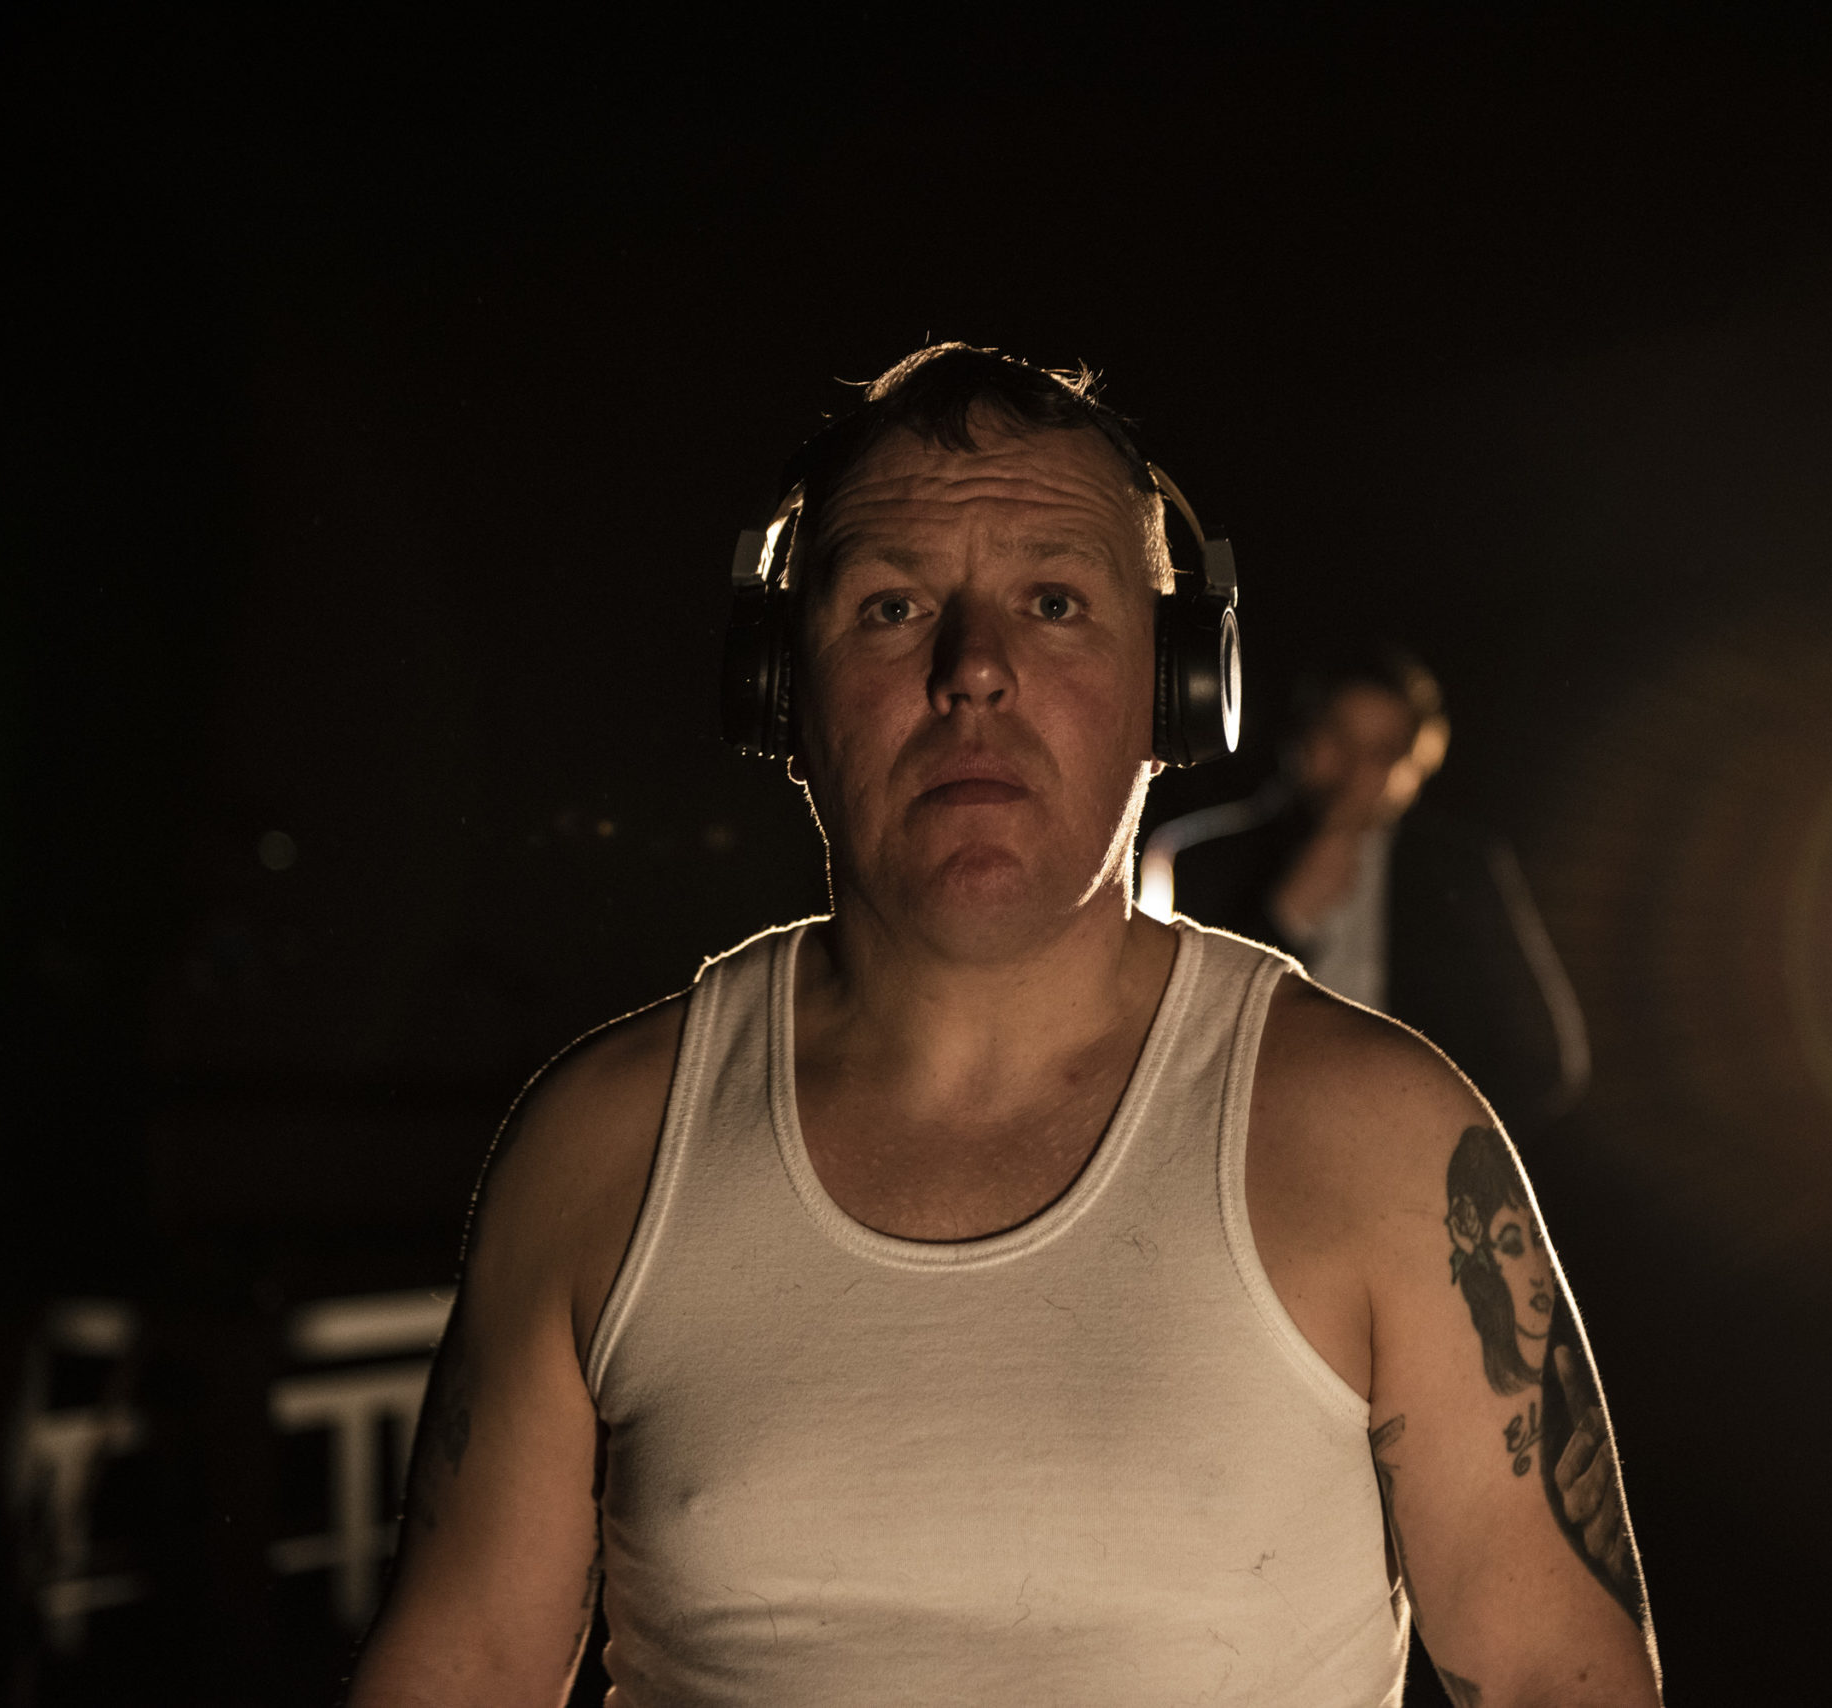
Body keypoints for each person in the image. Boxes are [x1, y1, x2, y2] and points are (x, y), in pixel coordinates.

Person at [346, 344, 1657, 1706]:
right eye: (894, 605)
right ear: (780, 692)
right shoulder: (600, 1149)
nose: (975, 670)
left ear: (1177, 691)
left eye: (1053, 600)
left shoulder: (1381, 1139)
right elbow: (463, 1667)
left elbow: (1563, 1678)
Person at [1141, 647, 1589, 1138]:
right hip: (1250, 1150)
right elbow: (1171, 1048)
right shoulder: (1196, 856)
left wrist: (1443, 1139)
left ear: (1417, 766)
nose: (1356, 770)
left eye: (1382, 752)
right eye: (1339, 737)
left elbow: (1544, 1060)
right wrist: (1285, 918)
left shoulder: (1460, 869)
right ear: (1302, 738)